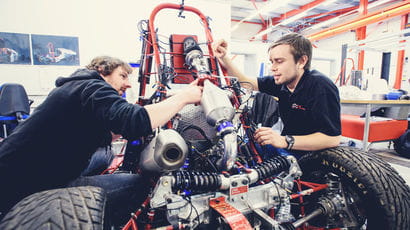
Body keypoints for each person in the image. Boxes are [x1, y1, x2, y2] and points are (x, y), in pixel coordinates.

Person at [0, 56, 203, 221]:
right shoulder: (93, 88)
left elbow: (112, 131)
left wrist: (176, 96)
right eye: (123, 76)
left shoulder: (76, 87)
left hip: (17, 172)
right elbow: (135, 121)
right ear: (102, 71)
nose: (127, 84)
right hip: (33, 187)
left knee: (105, 155)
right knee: (139, 184)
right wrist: (184, 97)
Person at [213, 33, 341, 153]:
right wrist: (224, 57)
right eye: (272, 61)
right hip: (291, 147)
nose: (273, 67)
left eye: (279, 61)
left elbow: (332, 139)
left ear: (302, 61)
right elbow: (245, 83)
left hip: (313, 154)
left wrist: (284, 140)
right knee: (244, 151)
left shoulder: (320, 86)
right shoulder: (282, 82)